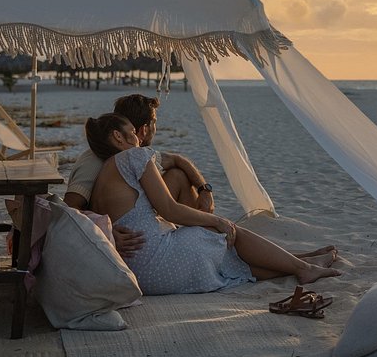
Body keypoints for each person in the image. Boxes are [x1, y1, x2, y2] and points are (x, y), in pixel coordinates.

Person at [85, 112, 340, 295]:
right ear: (118, 136)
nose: (139, 139)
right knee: (227, 232)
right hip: (156, 260)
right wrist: (218, 220)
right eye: (132, 133)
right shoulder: (133, 156)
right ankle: (303, 267)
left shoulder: (102, 175)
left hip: (139, 273)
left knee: (231, 263)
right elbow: (169, 210)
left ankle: (300, 264)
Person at [65, 94, 212, 257]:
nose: (156, 128)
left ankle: (203, 237)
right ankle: (204, 241)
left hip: (137, 223)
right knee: (177, 180)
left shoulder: (137, 155)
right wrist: (106, 231)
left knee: (177, 175)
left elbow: (177, 160)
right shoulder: (94, 161)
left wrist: (204, 190)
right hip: (111, 237)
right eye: (154, 123)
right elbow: (69, 208)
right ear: (144, 129)